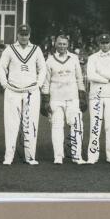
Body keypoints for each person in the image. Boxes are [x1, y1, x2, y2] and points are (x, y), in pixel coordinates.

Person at [0, 24, 46, 165]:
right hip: (13, 90)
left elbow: (42, 68)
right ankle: (9, 157)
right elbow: (1, 67)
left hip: (31, 91)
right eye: (21, 34)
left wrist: (39, 84)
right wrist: (4, 84)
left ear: (29, 35)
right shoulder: (10, 49)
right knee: (11, 124)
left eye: (26, 34)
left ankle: (30, 156)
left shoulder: (36, 49)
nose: (24, 37)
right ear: (17, 35)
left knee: (30, 124)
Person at [41, 34, 88, 164]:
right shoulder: (49, 60)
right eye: (60, 44)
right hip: (56, 99)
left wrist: (82, 96)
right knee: (57, 126)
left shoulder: (73, 58)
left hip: (72, 98)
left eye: (64, 44)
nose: (62, 46)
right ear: (55, 44)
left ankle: (77, 156)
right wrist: (45, 100)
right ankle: (58, 156)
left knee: (77, 126)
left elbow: (79, 79)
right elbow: (46, 82)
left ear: (68, 45)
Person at [86, 33, 110, 164]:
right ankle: (92, 155)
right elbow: (91, 75)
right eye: (102, 43)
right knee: (95, 125)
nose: (105, 45)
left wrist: (100, 72)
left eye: (107, 43)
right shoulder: (92, 58)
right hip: (96, 95)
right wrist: (107, 79)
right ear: (99, 44)